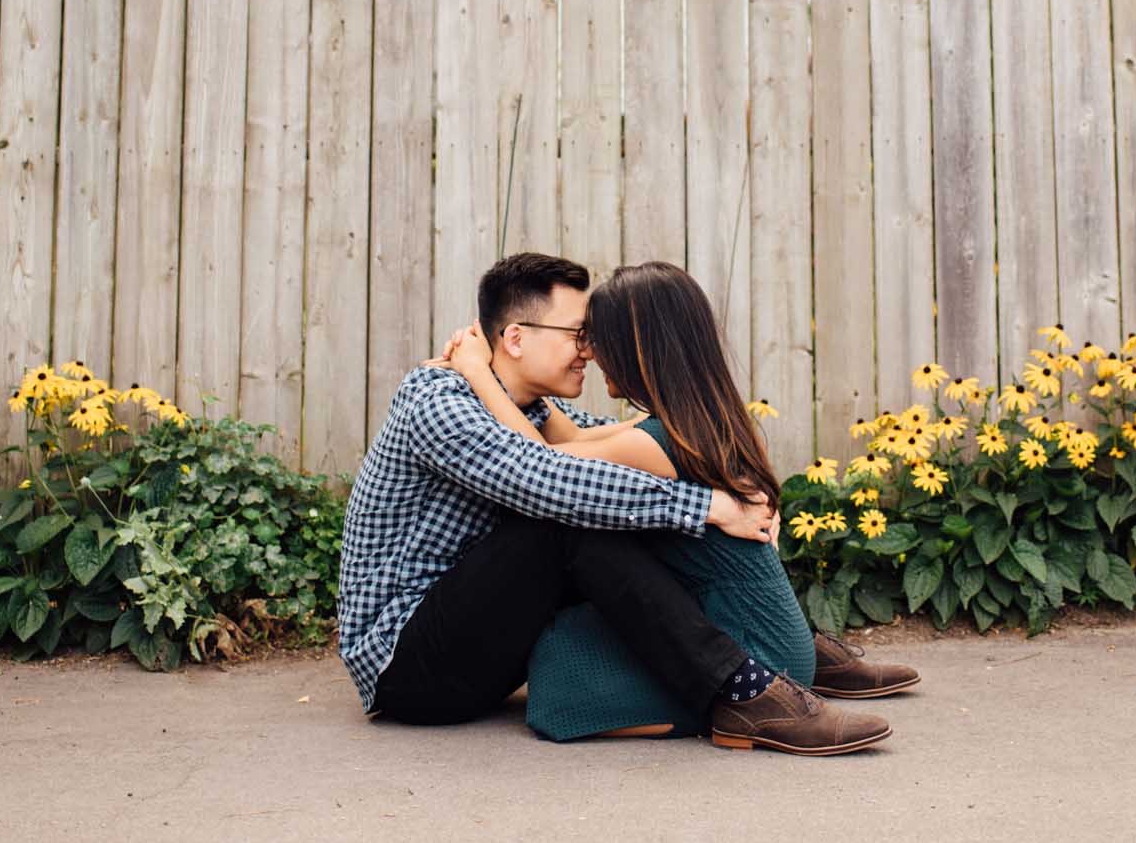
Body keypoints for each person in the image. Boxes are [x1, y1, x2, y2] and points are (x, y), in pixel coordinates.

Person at [338, 252, 894, 754]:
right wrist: (707, 506)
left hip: (477, 636)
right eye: (578, 334)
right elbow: (546, 480)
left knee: (613, 499)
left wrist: (723, 476)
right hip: (407, 665)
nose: (588, 351)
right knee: (566, 521)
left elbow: (617, 448)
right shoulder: (438, 403)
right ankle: (741, 690)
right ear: (514, 339)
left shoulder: (532, 409)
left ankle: (775, 646)